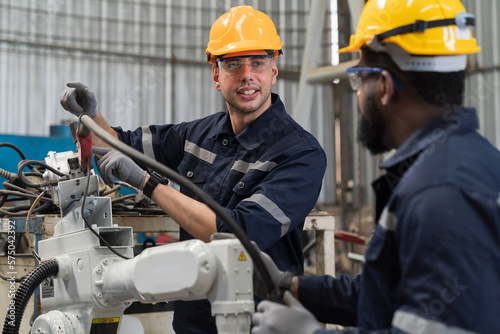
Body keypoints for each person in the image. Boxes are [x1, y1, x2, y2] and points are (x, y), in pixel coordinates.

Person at [59, 5, 327, 334]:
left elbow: (239, 234)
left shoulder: (300, 153)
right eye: (233, 64)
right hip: (193, 324)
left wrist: (147, 182)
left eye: (257, 62)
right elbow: (119, 145)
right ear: (216, 75)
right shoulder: (196, 136)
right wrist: (91, 117)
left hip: (258, 324)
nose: (247, 75)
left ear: (274, 70)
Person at [251, 0, 500, 333]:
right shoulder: (461, 163)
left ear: (383, 86)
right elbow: (388, 294)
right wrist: (290, 285)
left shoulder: (440, 194)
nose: (357, 94)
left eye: (357, 79)